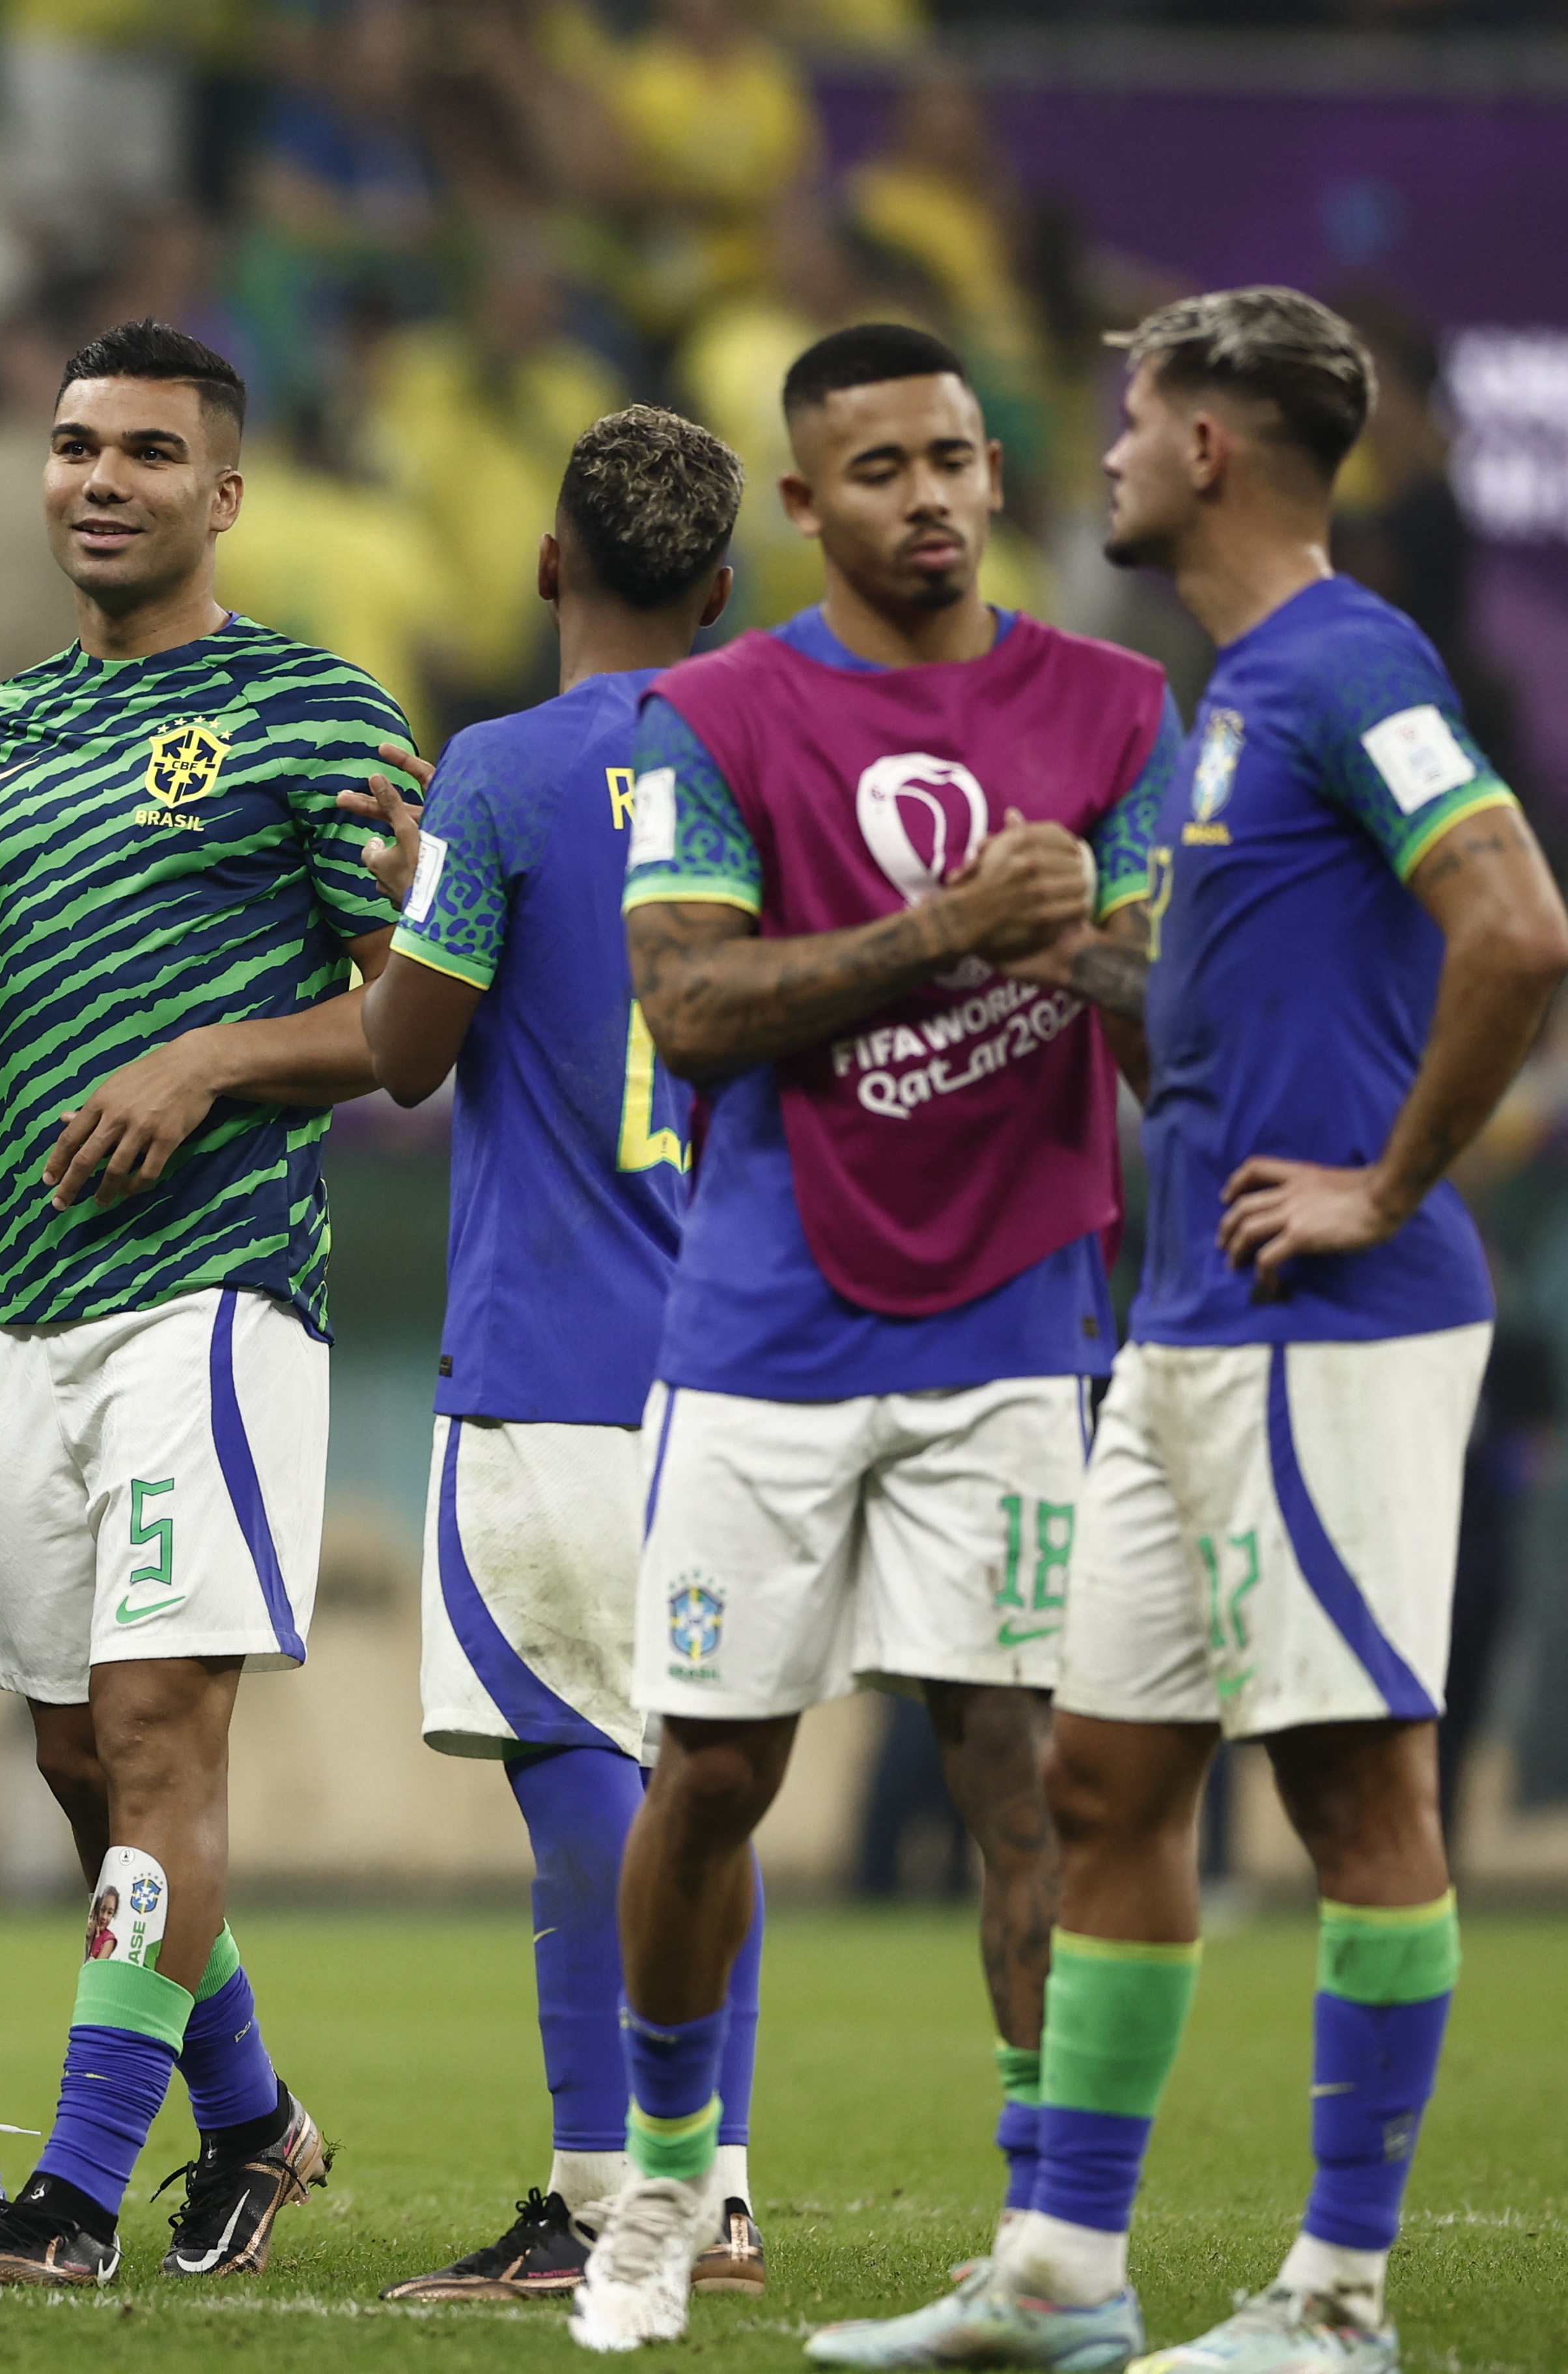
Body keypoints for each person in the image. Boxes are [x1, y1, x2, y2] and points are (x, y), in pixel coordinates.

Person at [815, 291, 1568, 2374]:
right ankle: (1062, 2277)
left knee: (1352, 1791)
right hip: (1186, 1334)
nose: (1111, 449)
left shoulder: (1348, 661)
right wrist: (1092, 960)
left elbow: (1519, 925)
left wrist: (1390, 1187)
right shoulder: (1240, 697)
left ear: (1217, 448)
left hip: (1329, 1326)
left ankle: (1338, 2300)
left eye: (1136, 416)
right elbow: (1249, 1028)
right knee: (1105, 1780)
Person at [568, 323, 1187, 2354]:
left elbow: (1194, 1019)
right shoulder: (714, 714)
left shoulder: (1113, 707)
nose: (925, 496)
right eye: (878, 469)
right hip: (762, 1329)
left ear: (996, 470)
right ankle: (663, 2188)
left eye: (952, 458)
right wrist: (946, 932)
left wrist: (1074, 936)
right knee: (715, 1774)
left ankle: (1049, 2253)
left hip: (1018, 1326)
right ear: (807, 503)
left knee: (1028, 1779)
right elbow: (689, 1008)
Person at [0, 318, 398, 2290]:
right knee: (79, 1769)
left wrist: (207, 1061)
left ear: (224, 492)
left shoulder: (322, 716)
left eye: (148, 453)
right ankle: (251, 2125)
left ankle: (69, 2205)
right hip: (17, 1314)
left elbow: (411, 1021)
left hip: (216, 1301)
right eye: (75, 446)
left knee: (161, 1741)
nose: (98, 479)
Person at [350, 406, 774, 2306]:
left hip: (555, 1360)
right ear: (722, 593)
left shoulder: (500, 776)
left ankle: (622, 2198)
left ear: (544, 566)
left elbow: (403, 1051)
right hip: (749, 1355)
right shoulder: (774, 763)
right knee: (704, 1773)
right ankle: (708, 2187)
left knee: (579, 1768)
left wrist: (416, 879)